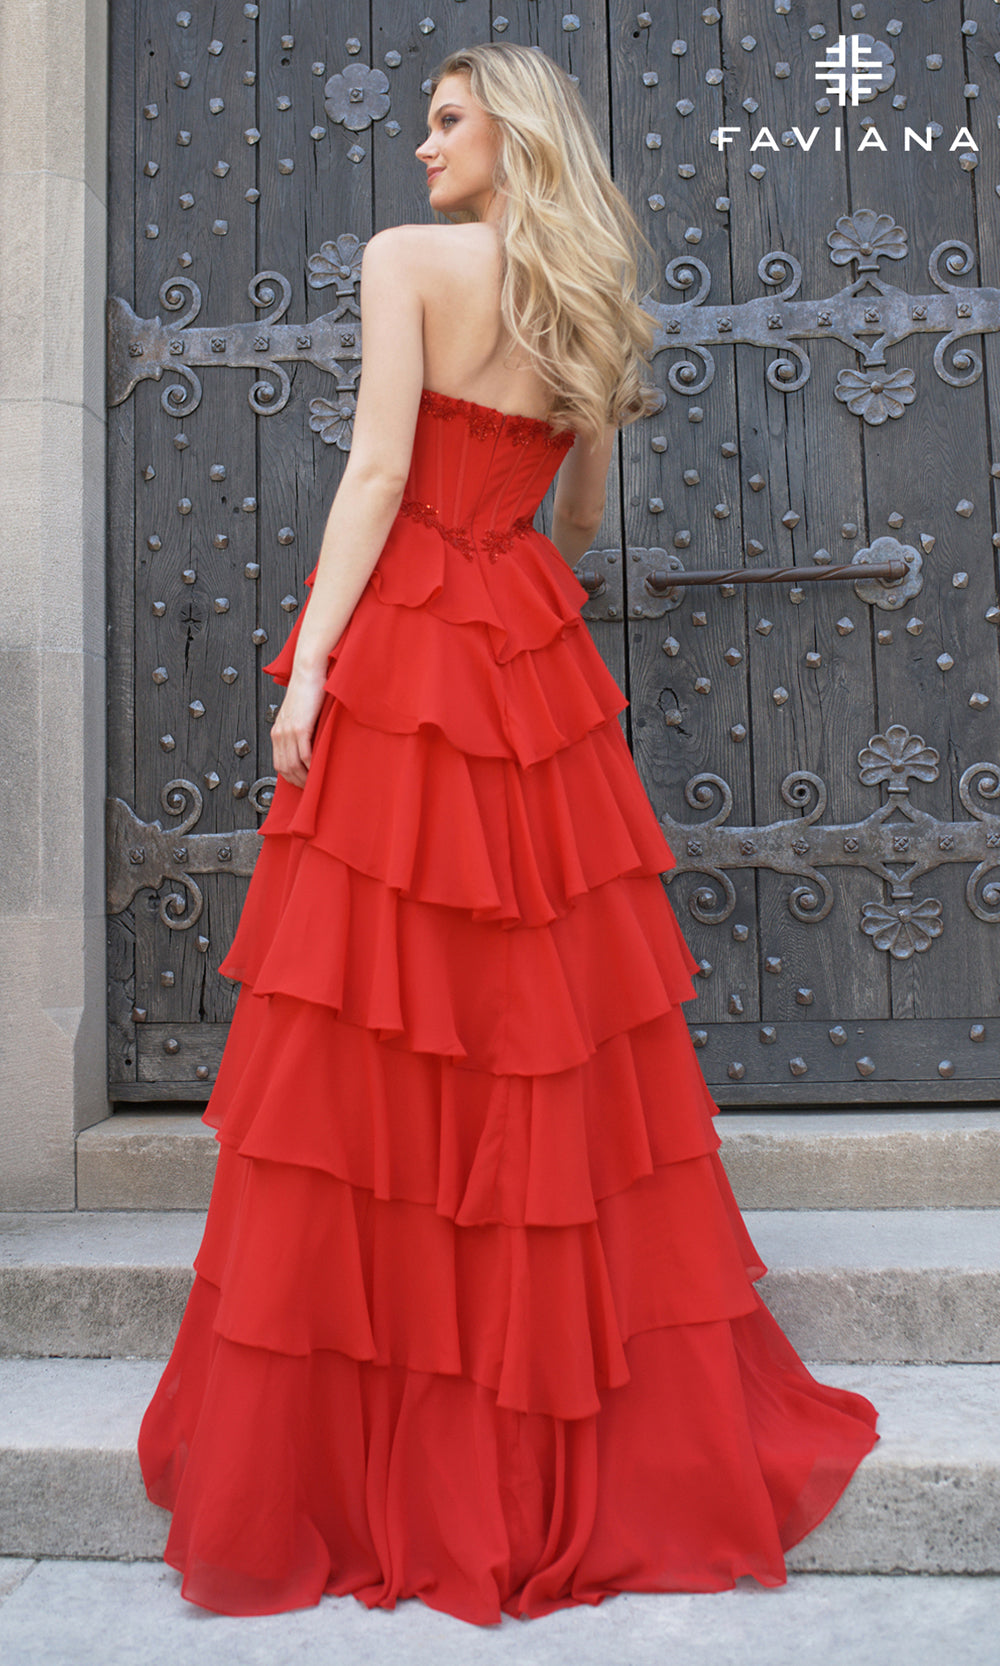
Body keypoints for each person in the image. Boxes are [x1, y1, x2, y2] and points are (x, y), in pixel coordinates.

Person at [138, 42, 878, 1624]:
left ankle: (365, 1432)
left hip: (411, 642)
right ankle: (540, 1416)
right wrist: (517, 543)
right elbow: (584, 520)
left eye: (447, 120)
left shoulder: (410, 263)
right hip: (526, 651)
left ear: (508, 132)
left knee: (375, 1020)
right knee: (535, 1025)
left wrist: (317, 661)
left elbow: (380, 468)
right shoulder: (590, 298)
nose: (421, 146)